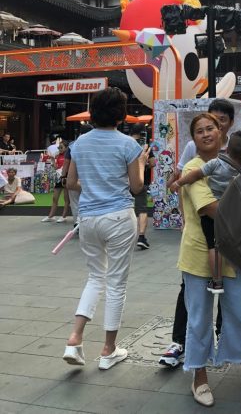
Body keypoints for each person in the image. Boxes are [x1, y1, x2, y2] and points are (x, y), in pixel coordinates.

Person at [178, 113, 241, 407]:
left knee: (240, 314)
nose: (206, 134)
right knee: (199, 318)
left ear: (222, 132)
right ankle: (199, 377)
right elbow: (213, 209)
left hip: (233, 253)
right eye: (199, 131)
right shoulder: (193, 167)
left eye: (210, 128)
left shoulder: (238, 165)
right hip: (199, 254)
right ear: (193, 138)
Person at [62, 87, 150, 370]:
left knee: (95, 277)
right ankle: (108, 349)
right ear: (120, 115)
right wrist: (142, 163)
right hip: (118, 217)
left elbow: (70, 183)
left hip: (88, 218)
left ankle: (75, 338)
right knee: (116, 283)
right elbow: (136, 187)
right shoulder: (128, 145)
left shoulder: (80, 143)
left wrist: (94, 186)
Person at [159, 98, 234, 368]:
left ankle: (223, 338)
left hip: (229, 231)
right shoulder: (194, 150)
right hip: (201, 225)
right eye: (203, 127)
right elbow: (181, 180)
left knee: (227, 287)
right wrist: (184, 217)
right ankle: (179, 341)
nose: (209, 130)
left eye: (218, 123)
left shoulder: (235, 149)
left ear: (228, 125)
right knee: (190, 292)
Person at [171, 129, 241, 293]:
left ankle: (217, 281)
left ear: (227, 149)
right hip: (233, 212)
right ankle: (234, 267)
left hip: (213, 214)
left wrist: (178, 183)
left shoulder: (216, 163)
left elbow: (195, 175)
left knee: (213, 246)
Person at [129, 124, 155, 250]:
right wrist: (144, 164)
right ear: (143, 133)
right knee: (142, 209)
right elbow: (153, 163)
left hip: (125, 181)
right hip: (140, 180)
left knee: (125, 208)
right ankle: (141, 236)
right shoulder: (145, 146)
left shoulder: (125, 144)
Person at [41, 140, 71, 223]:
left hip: (67, 177)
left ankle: (64, 217)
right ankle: (51, 216)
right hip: (59, 178)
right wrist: (53, 160)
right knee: (55, 198)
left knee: (66, 199)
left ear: (66, 148)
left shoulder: (69, 156)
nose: (59, 149)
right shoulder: (57, 155)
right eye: (58, 147)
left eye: (61, 147)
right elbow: (56, 167)